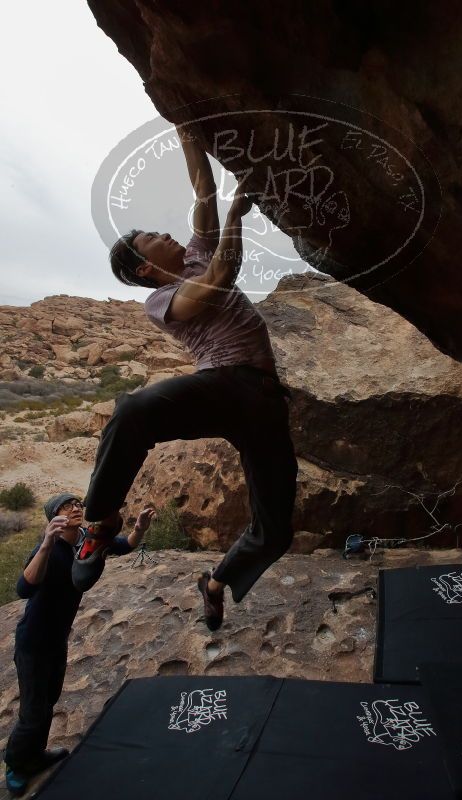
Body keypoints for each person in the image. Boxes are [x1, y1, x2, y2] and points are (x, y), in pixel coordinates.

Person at [72, 125, 299, 632]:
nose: (166, 234)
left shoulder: (196, 251)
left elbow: (203, 189)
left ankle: (215, 582)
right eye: (152, 237)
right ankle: (101, 521)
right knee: (134, 410)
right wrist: (238, 218)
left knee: (276, 529)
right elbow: (222, 277)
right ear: (146, 267)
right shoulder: (161, 302)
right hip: (224, 384)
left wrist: (184, 126)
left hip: (264, 399)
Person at [4, 493, 155, 797]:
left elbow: (124, 546)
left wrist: (139, 528)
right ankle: (17, 765)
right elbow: (23, 588)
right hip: (33, 642)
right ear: (53, 517)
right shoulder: (50, 547)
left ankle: (36, 756)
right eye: (66, 506)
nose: (75, 508)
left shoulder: (87, 539)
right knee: (33, 711)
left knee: (48, 702)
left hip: (58, 638)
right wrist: (47, 542)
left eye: (77, 504)